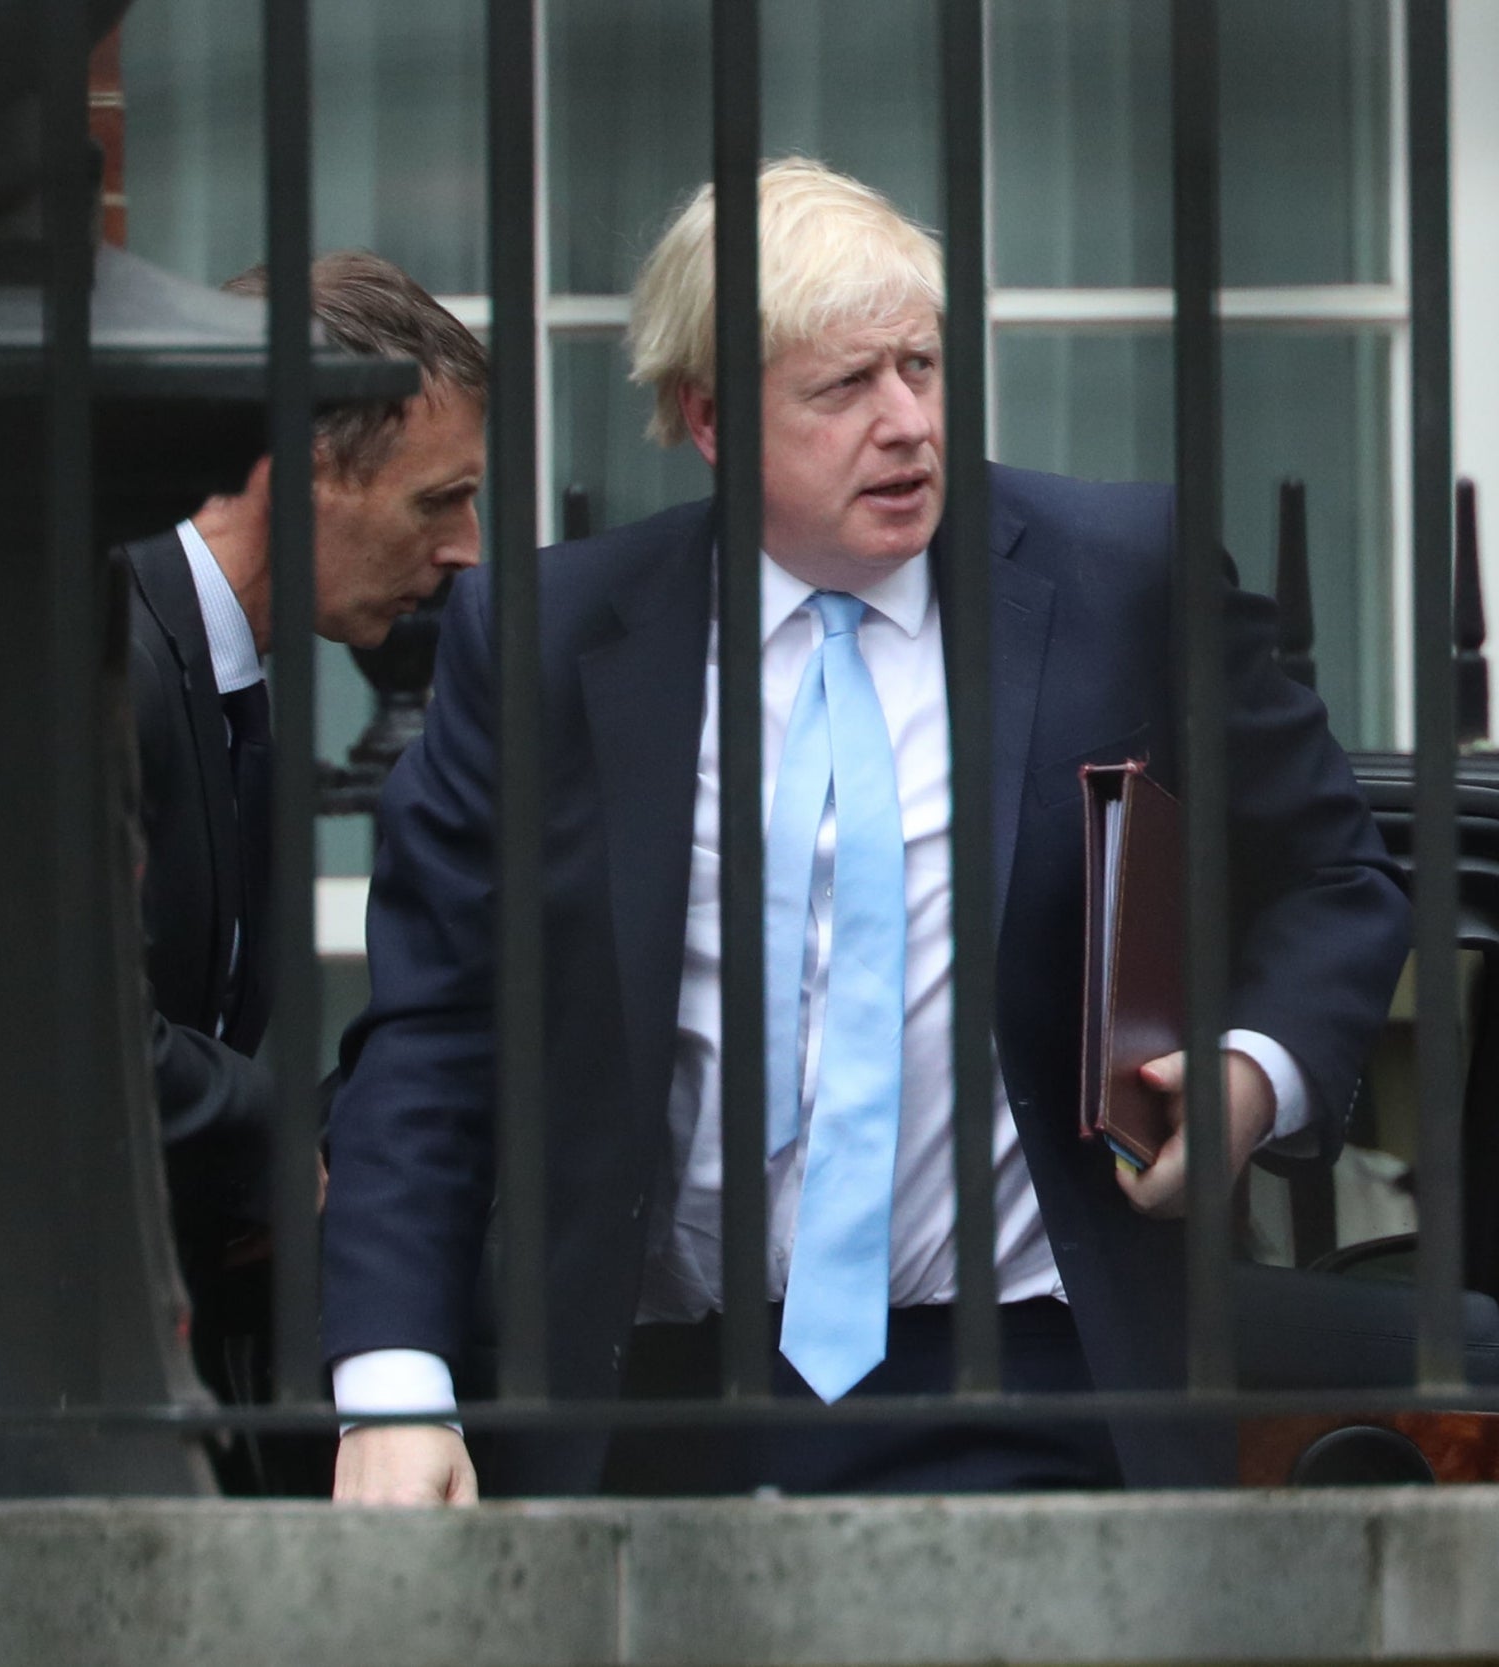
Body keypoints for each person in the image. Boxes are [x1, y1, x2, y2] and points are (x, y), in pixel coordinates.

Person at [322, 160, 1411, 1505]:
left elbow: (1331, 875)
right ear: (711, 418)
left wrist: (1251, 1069)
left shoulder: (1122, 577)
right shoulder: (550, 639)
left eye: (923, 366)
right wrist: (391, 1379)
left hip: (1041, 1368)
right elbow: (435, 1024)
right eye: (845, 387)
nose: (906, 423)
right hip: (661, 1391)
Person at [122, 249, 487, 1475]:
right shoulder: (102, 649)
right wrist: (298, 1147)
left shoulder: (230, 673)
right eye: (440, 499)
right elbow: (64, 1025)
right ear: (296, 470)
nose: (469, 548)